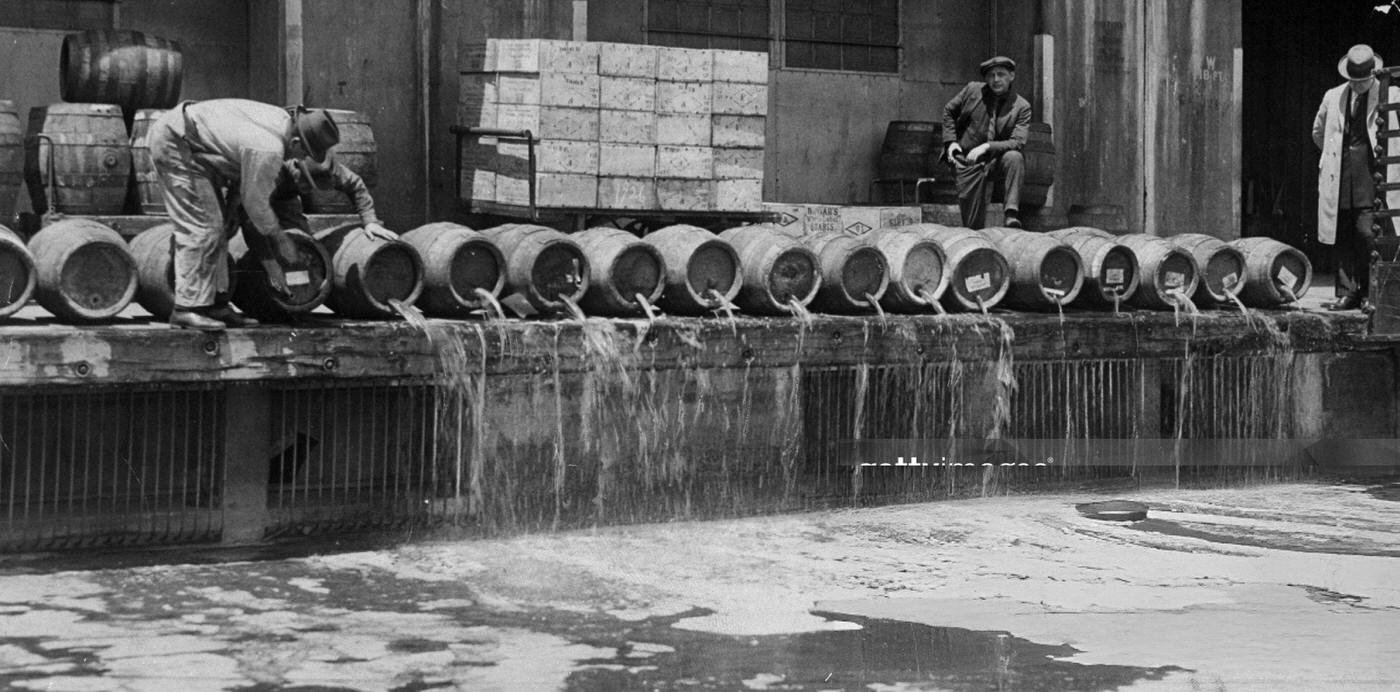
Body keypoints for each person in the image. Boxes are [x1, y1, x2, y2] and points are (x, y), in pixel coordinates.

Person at [147, 99, 341, 330]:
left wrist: (230, 210)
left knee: (222, 229)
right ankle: (186, 310)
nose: (300, 158)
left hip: (198, 147)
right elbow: (255, 206)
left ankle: (216, 306)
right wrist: (282, 240)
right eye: (305, 152)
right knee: (203, 228)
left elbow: (240, 170)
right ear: (297, 141)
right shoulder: (269, 148)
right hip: (177, 142)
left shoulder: (279, 121)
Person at [1313, 44, 1400, 311]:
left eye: (1363, 80)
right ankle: (1347, 291)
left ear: (1371, 75)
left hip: (1372, 175)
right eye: (1354, 80)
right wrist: (1332, 156)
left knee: (1367, 233)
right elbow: (1318, 132)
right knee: (1342, 232)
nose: (1358, 85)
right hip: (1340, 174)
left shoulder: (1391, 93)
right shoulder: (1334, 96)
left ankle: (1370, 292)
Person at [940, 55, 1033, 230]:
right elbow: (948, 112)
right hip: (966, 159)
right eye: (991, 75)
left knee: (1015, 157)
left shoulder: (1022, 106)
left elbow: (1018, 142)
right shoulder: (972, 91)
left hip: (994, 160)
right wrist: (951, 142)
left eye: (1001, 74)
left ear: (1011, 76)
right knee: (973, 224)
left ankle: (1011, 214)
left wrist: (987, 147)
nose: (996, 80)